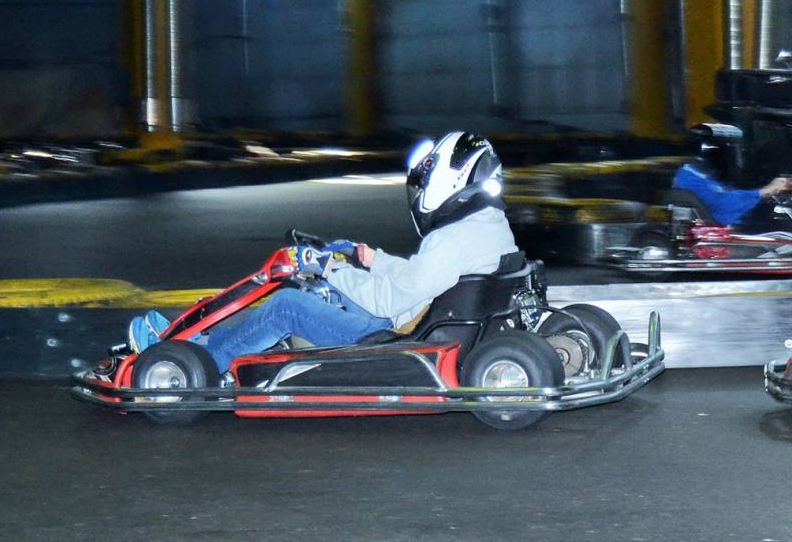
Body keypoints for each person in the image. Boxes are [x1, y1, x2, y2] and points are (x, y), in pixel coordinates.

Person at [125, 132, 519, 376]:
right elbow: (425, 278)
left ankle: (200, 363)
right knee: (320, 293)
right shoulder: (488, 227)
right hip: (419, 317)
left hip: (393, 334)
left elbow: (387, 300)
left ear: (450, 179)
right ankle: (203, 345)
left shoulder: (449, 240)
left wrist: (327, 265)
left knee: (287, 304)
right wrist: (373, 259)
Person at [671, 128, 792, 232]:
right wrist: (764, 191)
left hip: (721, 217)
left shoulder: (689, 172)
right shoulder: (693, 177)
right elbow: (725, 202)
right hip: (729, 226)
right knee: (783, 222)